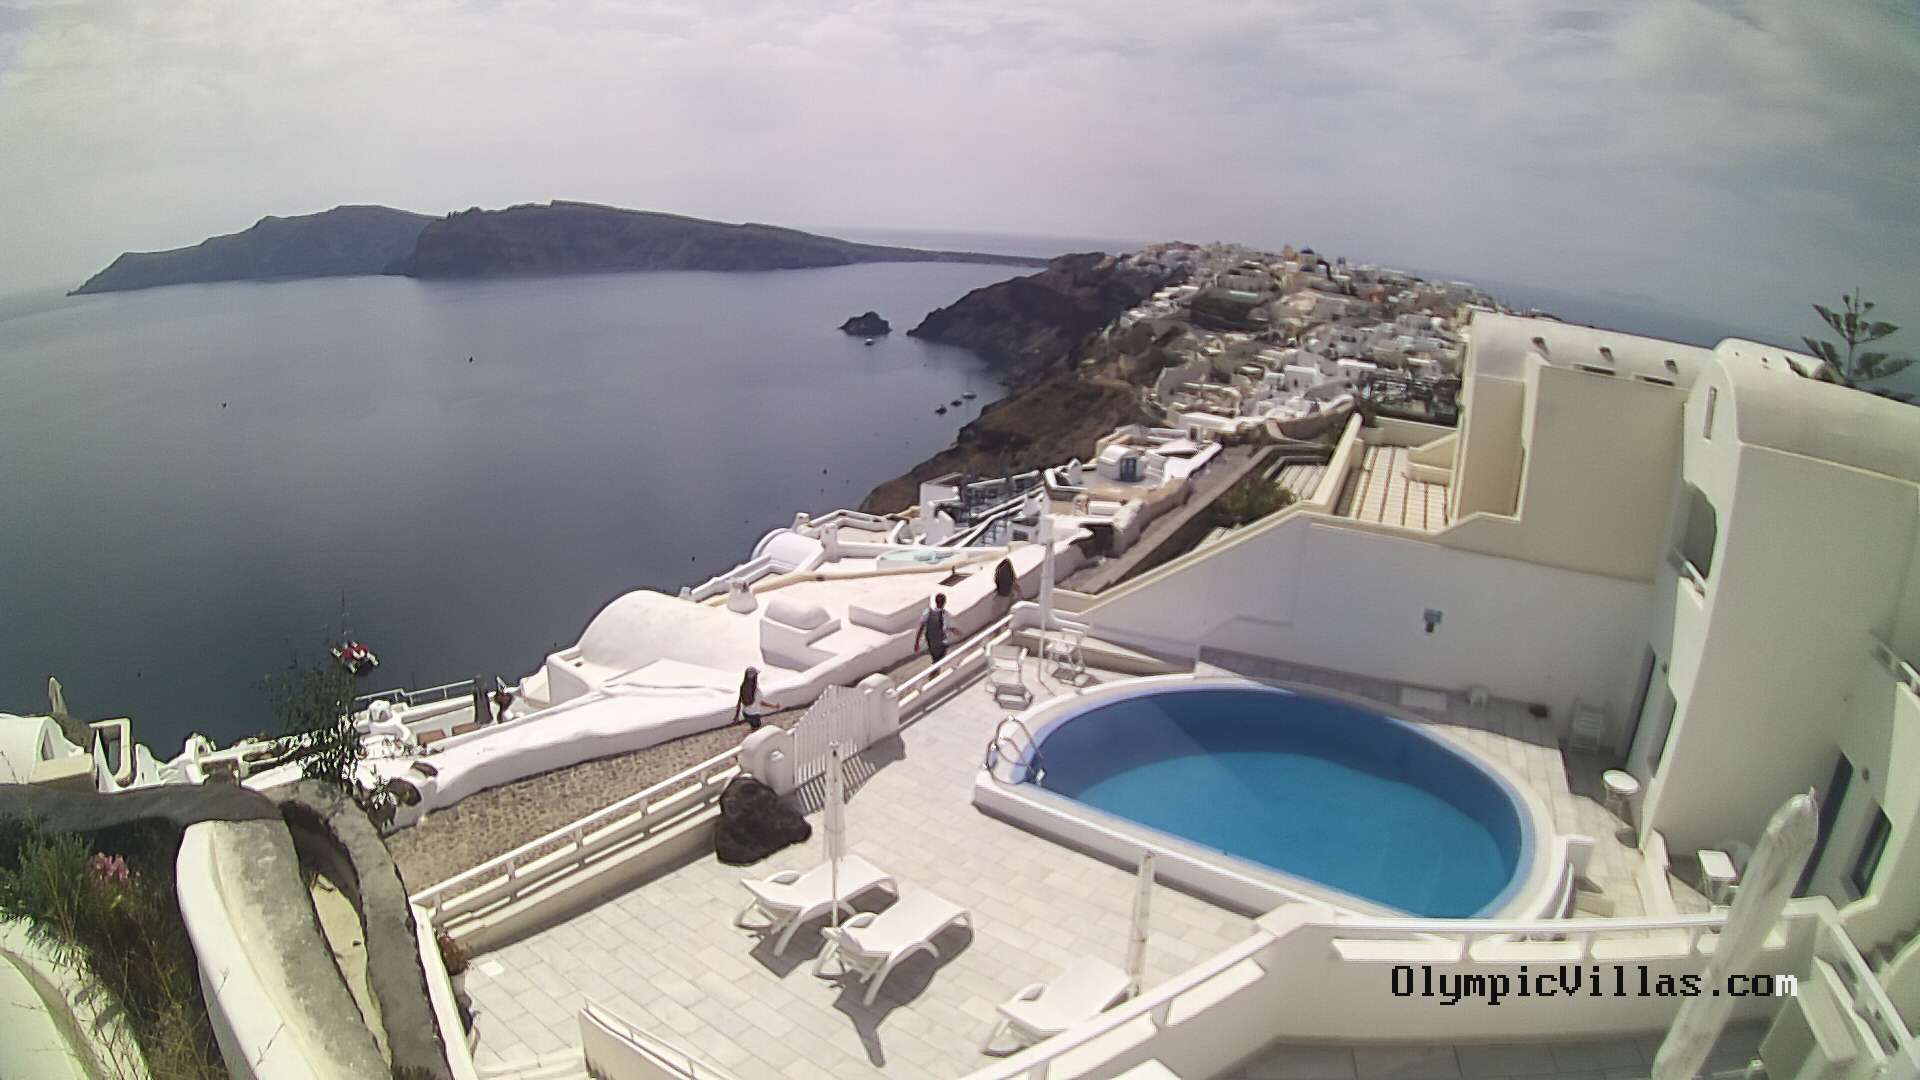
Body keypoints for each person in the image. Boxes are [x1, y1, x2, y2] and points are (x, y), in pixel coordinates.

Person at [916, 593, 951, 663]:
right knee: (938, 659)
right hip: (937, 642)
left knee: (937, 659)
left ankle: (936, 667)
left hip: (934, 641)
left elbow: (922, 627)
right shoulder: (942, 613)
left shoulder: (929, 612)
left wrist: (917, 642)